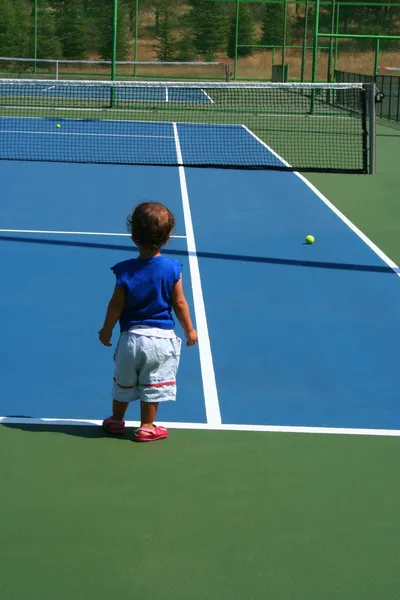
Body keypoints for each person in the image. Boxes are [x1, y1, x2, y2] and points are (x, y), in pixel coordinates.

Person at [98, 201, 198, 442]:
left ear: (133, 236)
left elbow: (116, 304)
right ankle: (147, 426)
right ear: (168, 237)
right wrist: (190, 330)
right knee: (153, 385)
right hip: (162, 342)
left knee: (123, 382)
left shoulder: (124, 270)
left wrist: (106, 329)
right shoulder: (173, 268)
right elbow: (180, 303)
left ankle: (116, 421)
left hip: (131, 340)